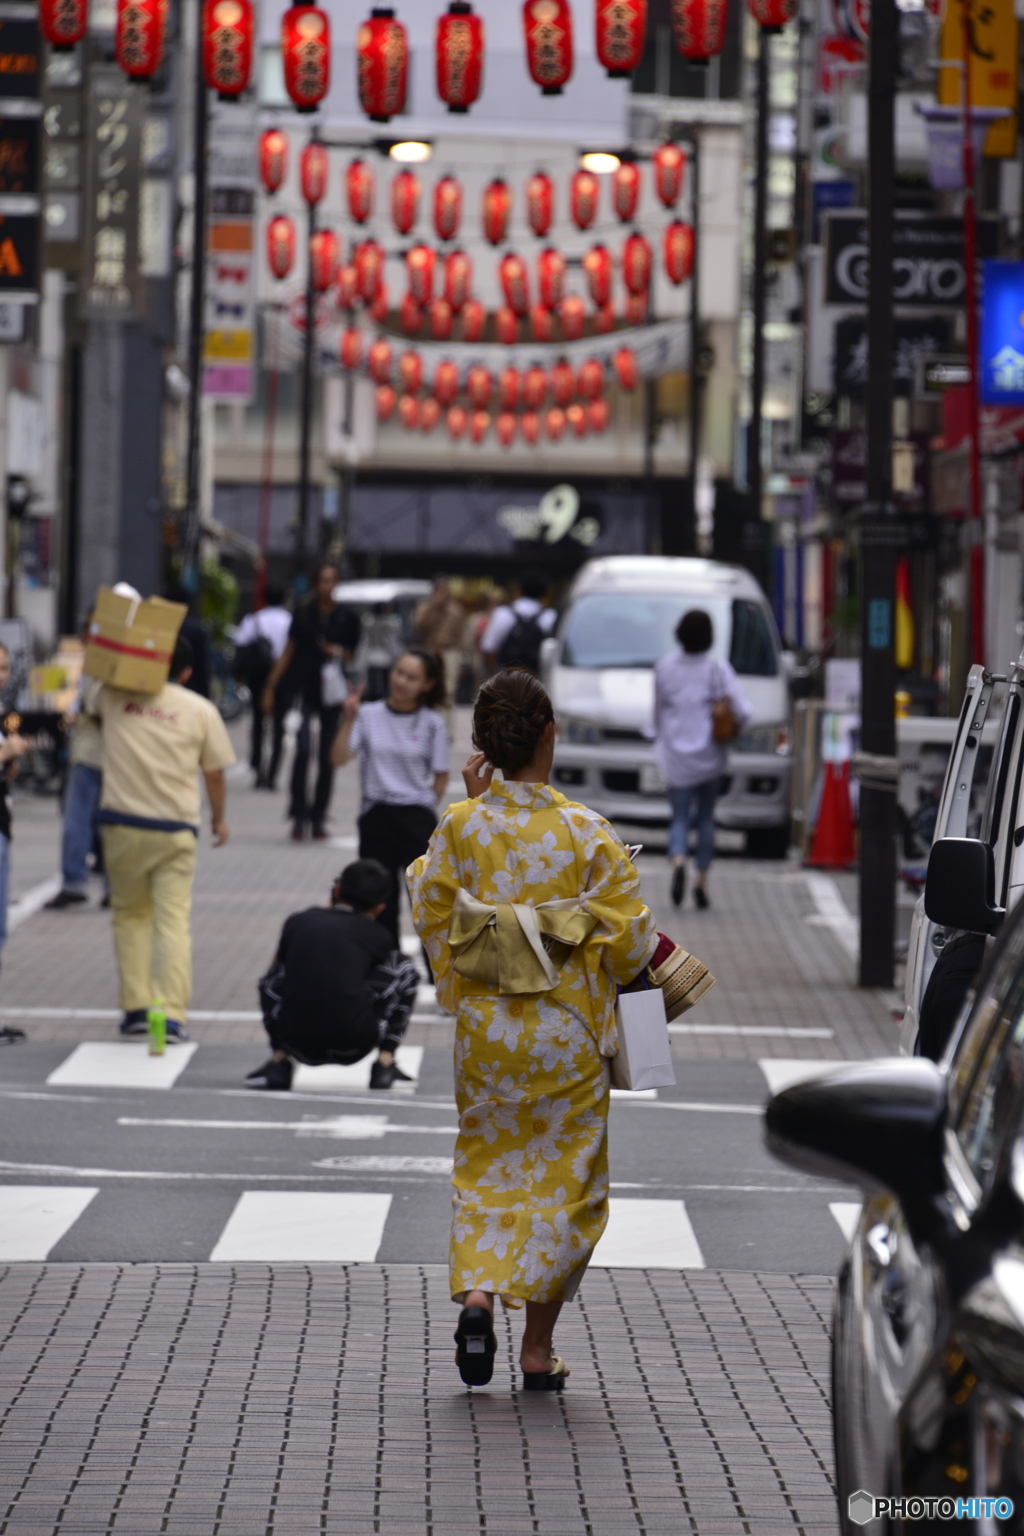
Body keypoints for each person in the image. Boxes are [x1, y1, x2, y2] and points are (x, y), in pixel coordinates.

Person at [408, 669, 657, 1392]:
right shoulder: (586, 832)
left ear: (486, 745)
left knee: (485, 1165)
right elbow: (631, 943)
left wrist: (477, 809)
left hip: (488, 1033)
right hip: (566, 1031)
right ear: (551, 734)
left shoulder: (461, 824)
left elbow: (430, 903)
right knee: (564, 1183)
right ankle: (536, 1351)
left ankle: (479, 1296)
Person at [95, 633, 235, 1040]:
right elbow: (214, 772)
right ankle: (169, 1014)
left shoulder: (112, 696)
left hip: (121, 823)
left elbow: (93, 687)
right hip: (175, 829)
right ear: (187, 671)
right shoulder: (200, 709)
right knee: (172, 919)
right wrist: (219, 820)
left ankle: (137, 1008)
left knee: (130, 916)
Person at [246, 859, 421, 1093]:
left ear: (337, 889)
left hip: (297, 1040)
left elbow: (276, 972)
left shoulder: (299, 921)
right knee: (404, 968)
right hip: (356, 1043)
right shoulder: (378, 934)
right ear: (380, 908)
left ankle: (279, 1060)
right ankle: (385, 1061)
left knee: (275, 975)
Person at [331, 648, 449, 948]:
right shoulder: (367, 714)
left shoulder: (432, 722)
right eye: (399, 672)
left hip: (417, 819)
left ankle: (437, 978)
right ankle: (384, 973)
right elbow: (338, 757)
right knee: (379, 901)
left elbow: (441, 775)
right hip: (377, 816)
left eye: (412, 677)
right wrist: (347, 719)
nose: (402, 681)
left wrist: (423, 804)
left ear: (427, 685)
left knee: (424, 902)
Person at [653, 608, 752, 912]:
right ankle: (701, 882)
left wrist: (659, 737)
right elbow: (745, 712)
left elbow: (656, 713)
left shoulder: (665, 668)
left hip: (677, 756)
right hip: (710, 756)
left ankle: (679, 859)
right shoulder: (717, 669)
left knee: (679, 817)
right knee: (707, 818)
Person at [261, 563, 359, 841]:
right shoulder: (303, 611)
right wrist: (270, 686)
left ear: (337, 584)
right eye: (322, 580)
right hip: (301, 688)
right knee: (303, 748)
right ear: (315, 583)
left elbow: (353, 655)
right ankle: (298, 812)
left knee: (328, 755)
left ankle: (318, 815)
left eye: (331, 580)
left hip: (332, 692)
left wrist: (337, 651)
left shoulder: (347, 617)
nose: (326, 585)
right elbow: (289, 650)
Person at [45, 618, 108, 910]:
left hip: (90, 753)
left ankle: (74, 883)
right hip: (114, 756)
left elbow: (96, 707)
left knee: (78, 819)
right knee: (106, 822)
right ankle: (111, 887)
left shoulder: (101, 666)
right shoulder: (107, 663)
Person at [232, 583, 292, 789]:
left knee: (258, 723)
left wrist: (239, 676)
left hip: (258, 676)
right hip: (283, 677)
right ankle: (272, 772)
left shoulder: (254, 619)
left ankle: (258, 768)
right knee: (279, 726)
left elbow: (239, 645)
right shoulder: (289, 621)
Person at [480, 569, 557, 675]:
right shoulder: (550, 617)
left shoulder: (503, 614)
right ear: (545, 592)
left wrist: (494, 678)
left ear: (519, 589)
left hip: (507, 680)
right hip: (536, 681)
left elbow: (489, 648)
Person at [414, 577, 465, 731]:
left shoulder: (456, 609)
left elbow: (461, 635)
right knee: (426, 688)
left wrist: (462, 658)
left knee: (448, 691)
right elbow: (418, 626)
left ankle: (446, 729)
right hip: (430, 649)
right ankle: (428, 725)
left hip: (450, 652)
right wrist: (432, 607)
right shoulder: (424, 608)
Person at [164, 582, 211, 699]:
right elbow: (201, 665)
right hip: (189, 690)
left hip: (161, 688)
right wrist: (205, 694)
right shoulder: (194, 629)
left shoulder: (159, 627)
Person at [357, 602, 404, 702]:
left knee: (374, 683)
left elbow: (365, 638)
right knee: (386, 684)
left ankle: (376, 700)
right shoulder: (393, 621)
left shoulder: (368, 621)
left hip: (373, 656)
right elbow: (396, 638)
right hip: (386, 656)